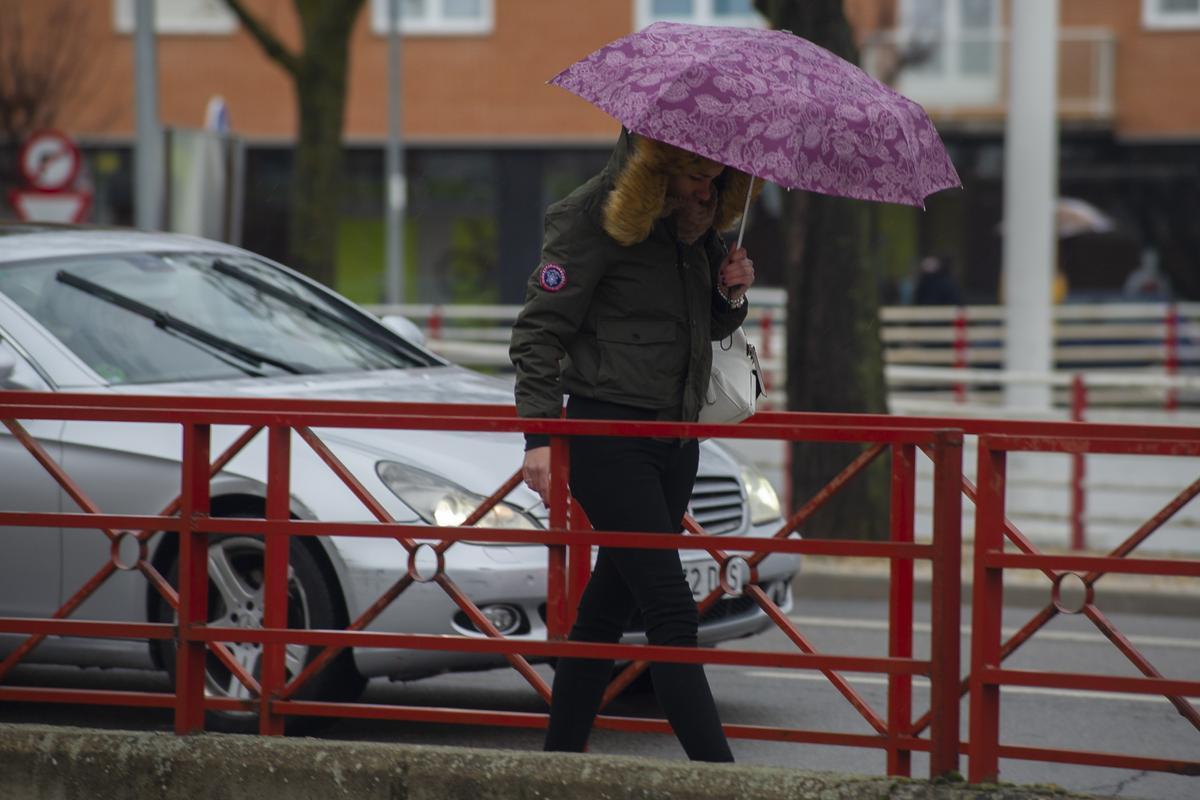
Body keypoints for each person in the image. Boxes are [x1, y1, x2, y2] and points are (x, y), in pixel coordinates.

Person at [509, 130, 759, 762]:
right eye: (696, 177)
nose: (707, 191)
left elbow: (700, 329)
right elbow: (538, 331)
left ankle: (558, 761)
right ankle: (720, 778)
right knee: (672, 612)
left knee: (604, 610)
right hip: (608, 437)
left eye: (715, 180)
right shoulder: (590, 217)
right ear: (660, 169)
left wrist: (730, 292)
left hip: (676, 439)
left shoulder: (697, 227)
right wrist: (539, 435)